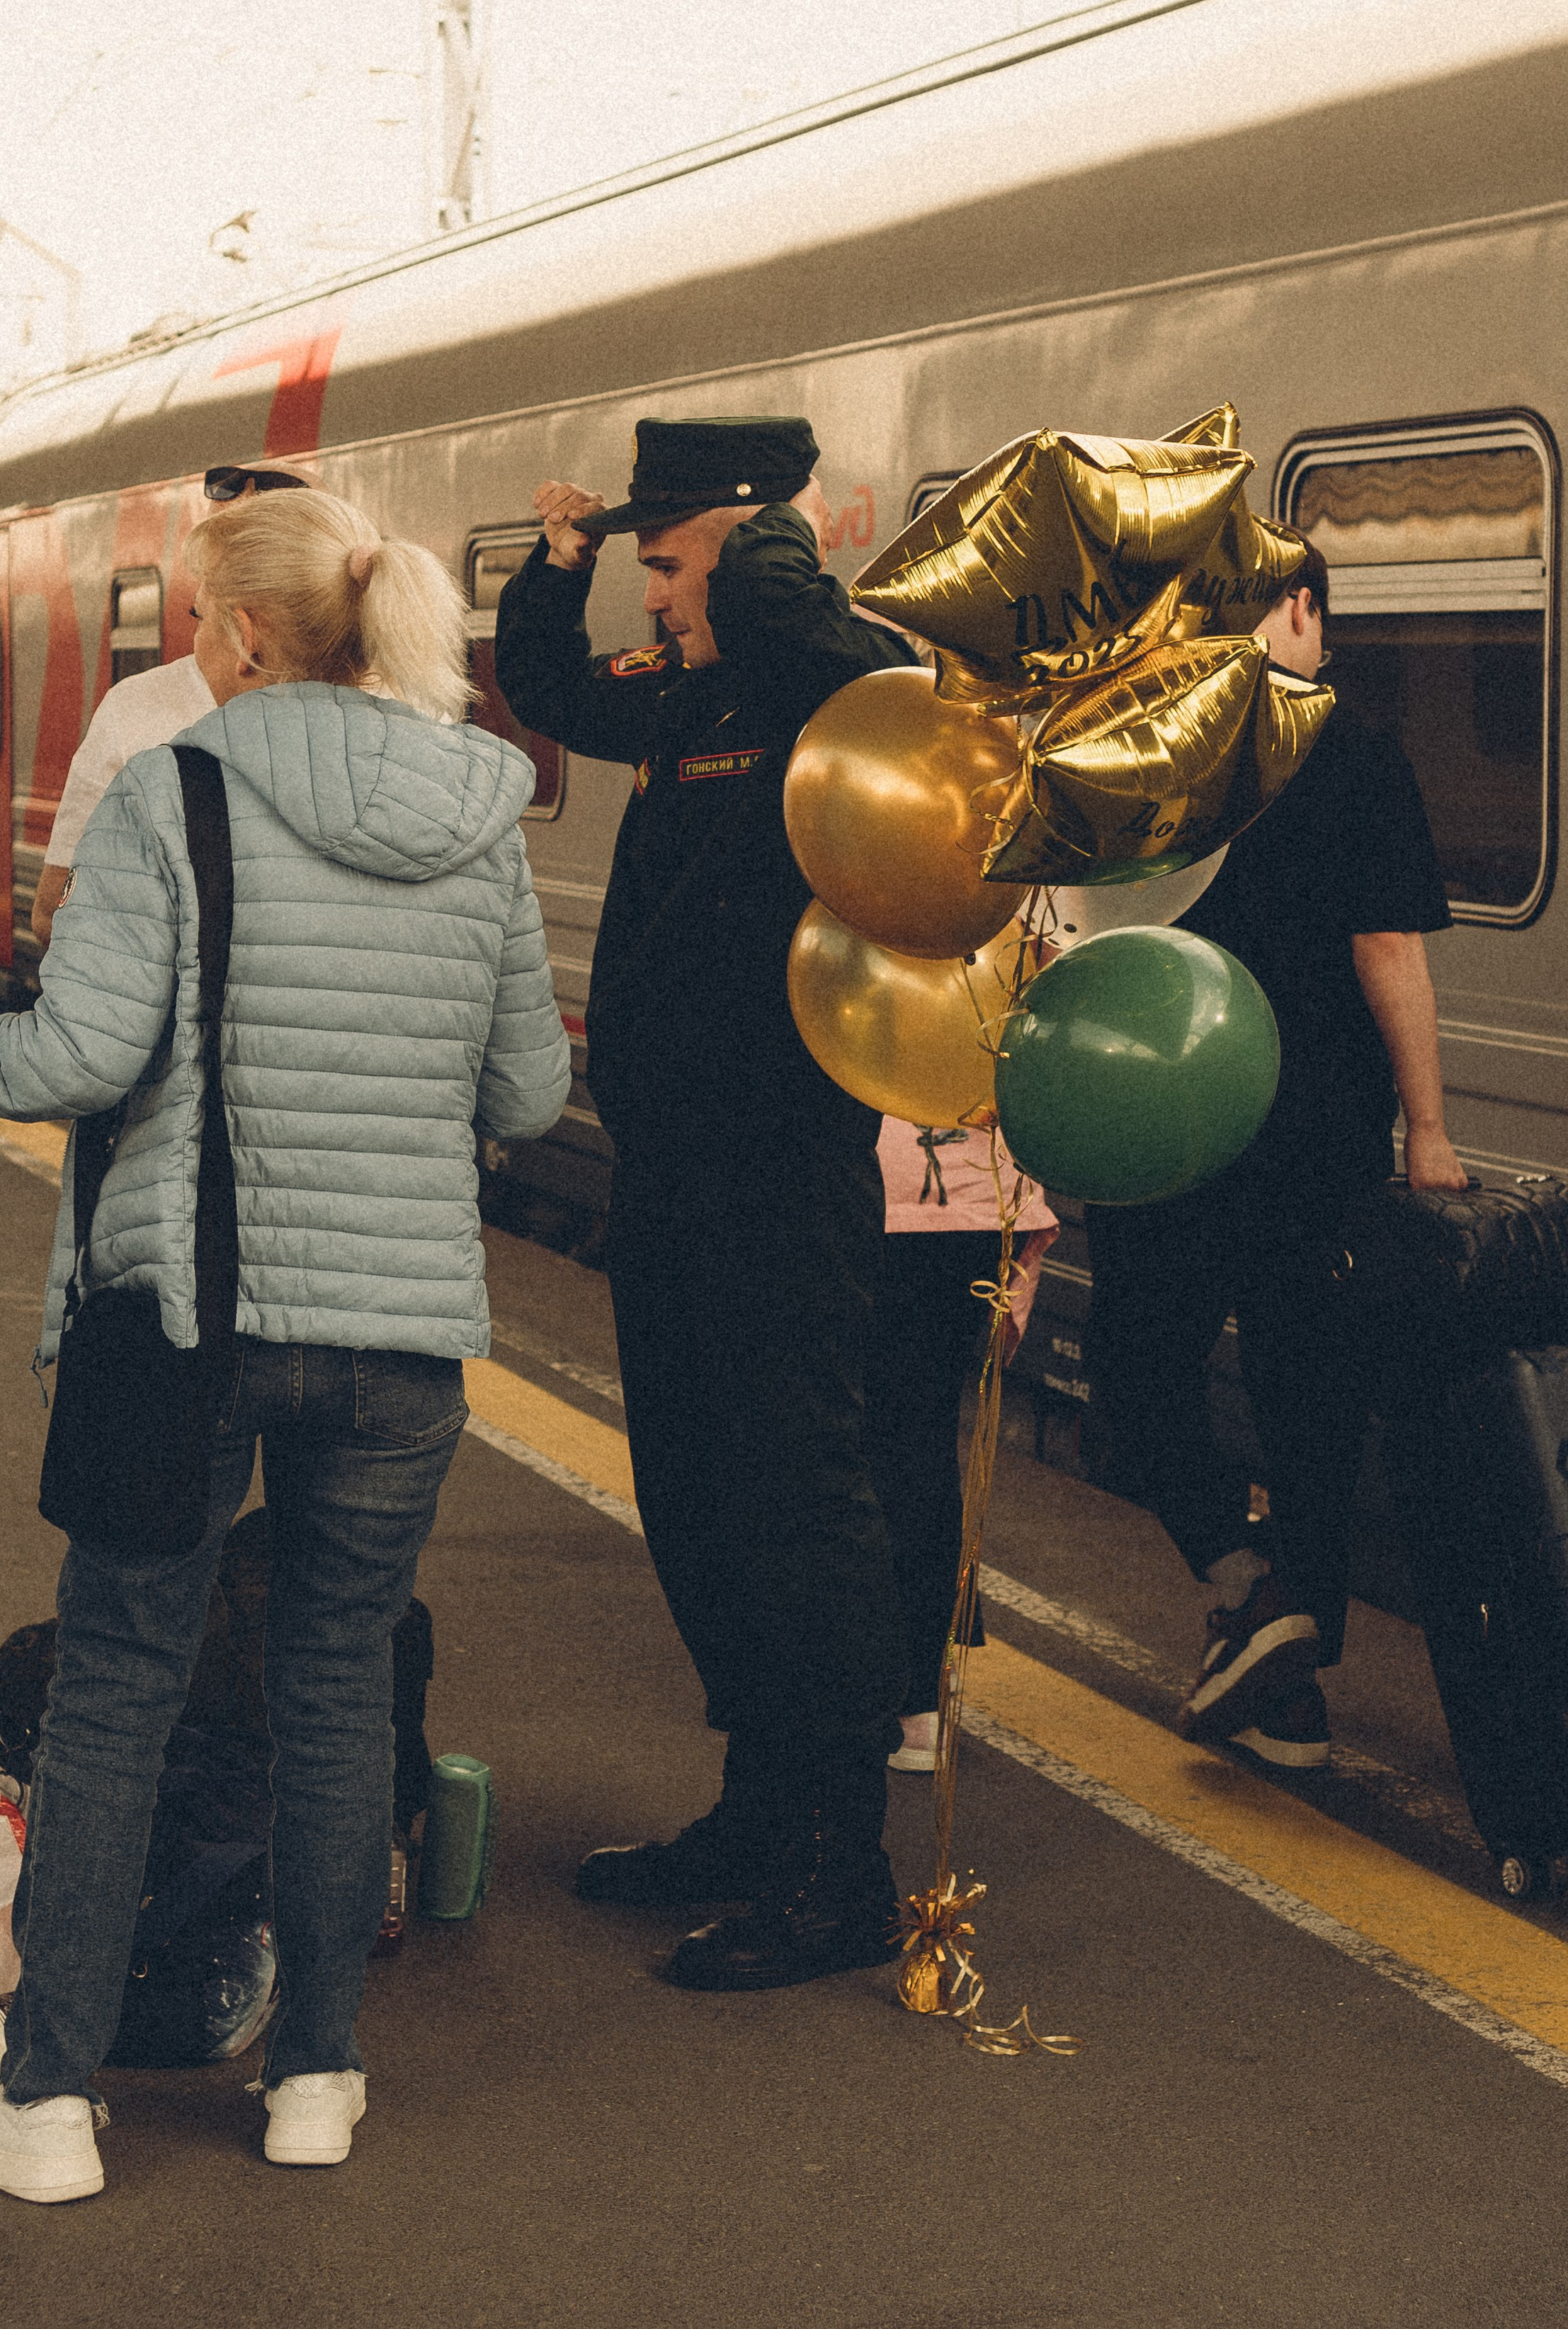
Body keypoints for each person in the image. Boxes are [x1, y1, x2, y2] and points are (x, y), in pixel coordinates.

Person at [0, 479, 569, 2204]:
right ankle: (315, 2075)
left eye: (193, 617)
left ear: (246, 632)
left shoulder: (177, 791)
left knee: (117, 1697)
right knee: (334, 1698)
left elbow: (66, 1062)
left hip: (196, 1322)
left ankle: (41, 2107)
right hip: (400, 1340)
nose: (186, 644)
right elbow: (532, 1092)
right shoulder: (480, 811)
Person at [494, 415, 918, 1993]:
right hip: (675, 1163)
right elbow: (542, 695)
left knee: (790, 1500)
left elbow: (841, 652)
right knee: (693, 1489)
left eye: (665, 563)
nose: (650, 598)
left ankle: (834, 1868)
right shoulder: (695, 694)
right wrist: (558, 568)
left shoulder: (833, 676)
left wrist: (760, 559)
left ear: (745, 544)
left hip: (781, 1161)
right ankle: (756, 1812)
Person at [1082, 538, 1467, 1772]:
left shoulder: (1157, 753)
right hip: (1314, 1138)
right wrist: (1429, 1129)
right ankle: (1277, 1618)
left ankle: (1267, 1638)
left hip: (1168, 1126)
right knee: (1310, 1410)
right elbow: (1389, 956)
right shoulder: (1355, 750)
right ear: (1306, 612)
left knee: (1139, 1392)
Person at [29, 465, 313, 945]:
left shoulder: (138, 713)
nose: (197, 637)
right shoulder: (417, 719)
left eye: (200, 613)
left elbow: (55, 916)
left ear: (245, 635)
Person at [863, 1118, 1055, 1772]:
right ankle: (920, 1697)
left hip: (864, 1175)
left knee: (834, 1433)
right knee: (918, 1434)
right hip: (978, 1189)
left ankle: (857, 1666)